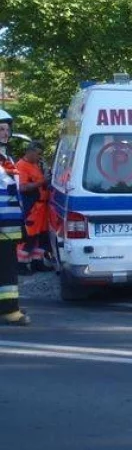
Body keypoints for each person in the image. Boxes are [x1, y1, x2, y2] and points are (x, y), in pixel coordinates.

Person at [0, 110, 29, 325]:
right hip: (2, 223)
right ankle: (9, 310)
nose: (5, 133)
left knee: (7, 266)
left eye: (7, 129)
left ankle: (9, 306)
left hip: (9, 223)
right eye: (1, 129)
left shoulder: (6, 158)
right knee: (6, 268)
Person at [16, 142, 52, 274]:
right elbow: (23, 187)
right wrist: (42, 182)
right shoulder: (21, 166)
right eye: (38, 154)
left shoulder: (35, 164)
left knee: (41, 236)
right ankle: (21, 265)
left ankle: (37, 262)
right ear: (30, 152)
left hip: (42, 207)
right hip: (31, 207)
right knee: (28, 237)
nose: (39, 157)